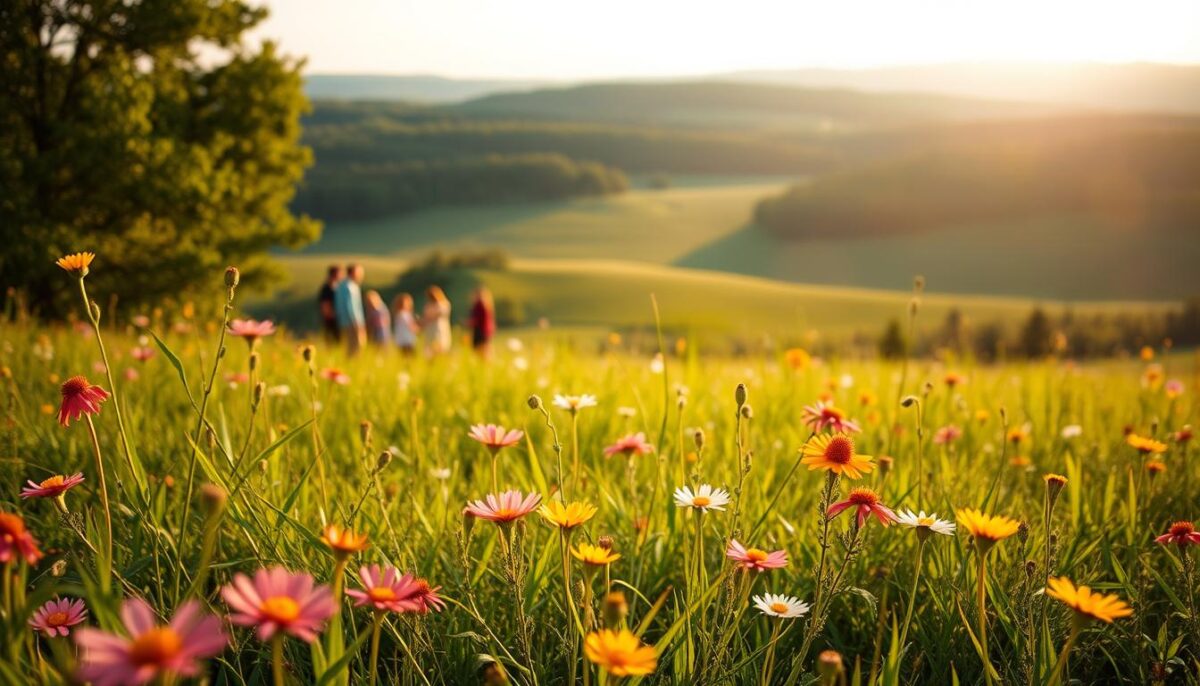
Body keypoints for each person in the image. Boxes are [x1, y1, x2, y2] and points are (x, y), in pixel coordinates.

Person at [334, 263, 366, 356]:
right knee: (355, 347)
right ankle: (354, 363)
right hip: (352, 322)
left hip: (344, 321)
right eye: (360, 272)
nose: (361, 275)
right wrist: (357, 322)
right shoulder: (350, 287)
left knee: (349, 346)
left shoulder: (341, 285)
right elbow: (351, 306)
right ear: (353, 273)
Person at [421, 285, 452, 357]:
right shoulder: (429, 305)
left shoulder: (443, 304)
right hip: (431, 328)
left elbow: (438, 315)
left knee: (440, 344)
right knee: (432, 346)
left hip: (439, 327)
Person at [466, 286, 496, 358]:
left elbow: (478, 319)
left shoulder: (479, 304)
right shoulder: (487, 304)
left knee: (481, 350)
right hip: (486, 331)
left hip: (480, 331)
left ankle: (484, 362)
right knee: (485, 349)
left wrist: (469, 322)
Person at [317, 265, 342, 341]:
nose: (342, 276)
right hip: (331, 320)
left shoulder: (336, 287)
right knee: (332, 340)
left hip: (336, 319)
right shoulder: (326, 288)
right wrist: (331, 315)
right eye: (340, 273)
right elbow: (325, 305)